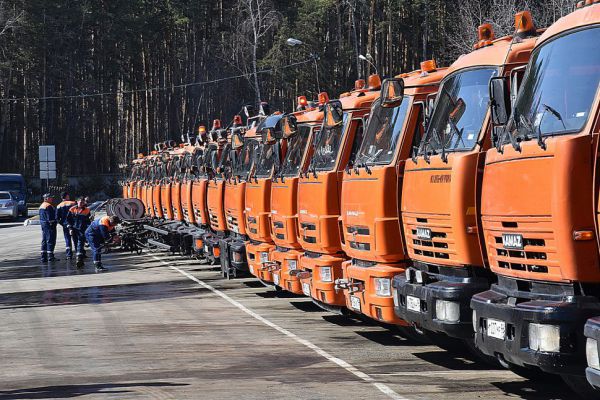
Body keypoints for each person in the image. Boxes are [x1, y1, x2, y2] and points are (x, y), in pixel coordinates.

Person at [66, 198, 91, 268]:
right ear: (77, 202)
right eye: (80, 202)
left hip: (82, 230)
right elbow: (68, 220)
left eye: (82, 202)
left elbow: (88, 221)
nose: (81, 203)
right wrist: (70, 228)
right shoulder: (72, 209)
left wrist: (88, 229)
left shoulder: (87, 210)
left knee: (80, 243)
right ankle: (79, 256)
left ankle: (79, 258)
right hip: (74, 229)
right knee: (76, 243)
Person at [56, 192, 76, 259]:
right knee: (76, 239)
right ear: (67, 196)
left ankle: (69, 255)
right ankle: (79, 253)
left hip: (65, 225)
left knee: (67, 239)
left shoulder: (59, 205)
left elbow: (57, 218)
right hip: (74, 224)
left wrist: (63, 224)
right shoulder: (72, 203)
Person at [39, 193, 58, 262]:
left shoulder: (42, 205)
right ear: (46, 198)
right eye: (50, 197)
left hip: (43, 225)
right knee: (51, 240)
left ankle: (43, 256)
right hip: (49, 225)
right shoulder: (49, 206)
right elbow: (51, 218)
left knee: (44, 240)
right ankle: (50, 256)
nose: (52, 198)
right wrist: (55, 222)